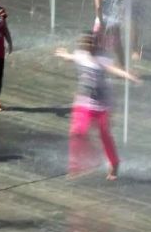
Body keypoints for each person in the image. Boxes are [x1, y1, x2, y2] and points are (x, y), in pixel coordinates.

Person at [55, 33, 140, 181]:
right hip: (84, 102)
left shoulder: (102, 59)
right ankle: (78, 165)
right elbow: (72, 58)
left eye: (91, 44)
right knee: (77, 132)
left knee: (104, 135)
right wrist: (64, 55)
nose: (89, 47)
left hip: (102, 104)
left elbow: (114, 69)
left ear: (95, 44)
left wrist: (129, 76)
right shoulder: (81, 55)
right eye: (86, 44)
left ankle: (115, 164)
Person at [92, 0, 127, 65]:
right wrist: (119, 17)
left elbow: (98, 7)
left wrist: (101, 22)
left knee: (97, 45)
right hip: (114, 21)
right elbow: (122, 5)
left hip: (102, 20)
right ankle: (123, 68)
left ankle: (97, 68)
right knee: (118, 47)